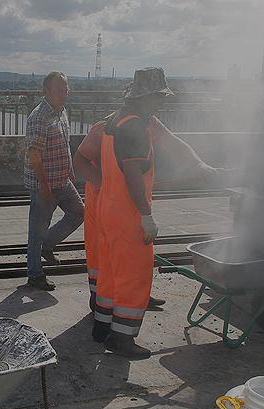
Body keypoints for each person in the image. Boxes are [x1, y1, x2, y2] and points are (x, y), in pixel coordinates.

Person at [74, 109, 227, 317]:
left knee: (135, 253)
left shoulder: (150, 123)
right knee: (106, 255)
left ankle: (135, 296)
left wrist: (200, 165)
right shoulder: (105, 127)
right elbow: (79, 161)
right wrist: (104, 185)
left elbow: (174, 144)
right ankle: (101, 300)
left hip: (131, 201)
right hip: (103, 199)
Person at [91, 67, 172, 359]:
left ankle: (102, 328)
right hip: (128, 215)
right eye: (159, 97)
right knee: (134, 276)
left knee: (110, 274)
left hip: (107, 210)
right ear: (146, 97)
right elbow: (133, 174)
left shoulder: (115, 120)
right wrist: (146, 215)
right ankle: (122, 339)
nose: (161, 103)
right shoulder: (136, 127)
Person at [24, 71, 85, 291]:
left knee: (79, 212)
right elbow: (34, 156)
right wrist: (44, 186)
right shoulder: (39, 117)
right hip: (45, 183)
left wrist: (69, 169)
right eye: (60, 90)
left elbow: (65, 144)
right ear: (46, 91)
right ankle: (34, 274)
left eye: (66, 89)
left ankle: (48, 245)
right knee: (37, 230)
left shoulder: (61, 111)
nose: (65, 93)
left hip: (62, 180)